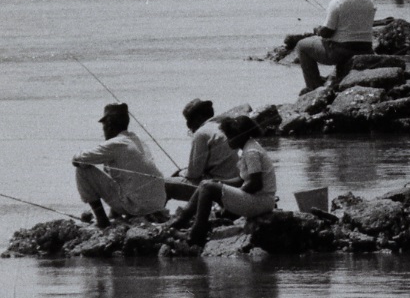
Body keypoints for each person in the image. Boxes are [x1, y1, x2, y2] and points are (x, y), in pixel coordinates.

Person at [168, 116, 276, 246]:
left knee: (208, 188)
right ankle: (181, 221)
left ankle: (195, 234)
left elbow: (256, 184)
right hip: (259, 200)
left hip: (260, 202)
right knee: (206, 184)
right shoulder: (249, 147)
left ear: (240, 136)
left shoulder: (251, 152)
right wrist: (220, 184)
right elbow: (241, 179)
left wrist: (232, 196)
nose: (228, 140)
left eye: (230, 137)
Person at [72, 103, 167, 228]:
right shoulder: (136, 139)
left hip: (137, 207)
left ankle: (102, 221)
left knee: (82, 171)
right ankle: (117, 215)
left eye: (104, 125)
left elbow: (77, 160)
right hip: (158, 204)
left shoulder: (116, 143)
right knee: (118, 173)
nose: (103, 130)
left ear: (110, 124)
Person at [295, 0, 376, 94]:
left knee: (302, 46)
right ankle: (335, 79)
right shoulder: (370, 2)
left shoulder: (337, 2)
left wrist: (319, 31)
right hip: (366, 48)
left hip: (341, 52)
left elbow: (328, 32)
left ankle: (314, 88)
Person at [165, 99, 239, 202]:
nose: (191, 128)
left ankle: (154, 214)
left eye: (190, 122)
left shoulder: (202, 133)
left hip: (216, 187)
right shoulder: (222, 127)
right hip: (233, 184)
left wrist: (181, 173)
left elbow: (194, 173)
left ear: (198, 118)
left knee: (162, 184)